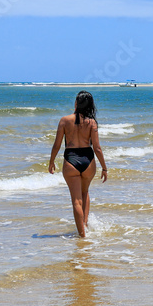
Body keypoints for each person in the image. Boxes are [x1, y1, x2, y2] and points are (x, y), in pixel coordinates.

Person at [48, 91, 107, 237]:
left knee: (76, 200)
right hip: (88, 159)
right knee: (85, 192)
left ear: (76, 103)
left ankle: (82, 235)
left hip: (71, 159)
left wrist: (51, 161)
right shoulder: (91, 122)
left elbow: (56, 145)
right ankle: (84, 227)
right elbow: (97, 148)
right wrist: (104, 168)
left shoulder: (64, 120)